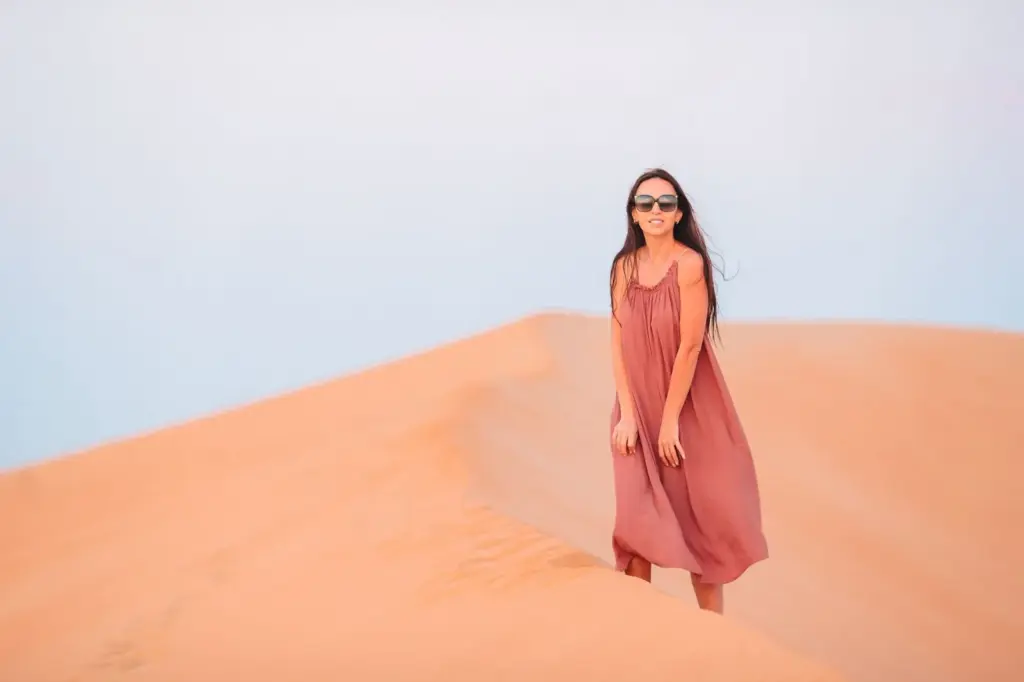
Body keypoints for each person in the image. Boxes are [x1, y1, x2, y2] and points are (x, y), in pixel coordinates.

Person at [608, 167, 768, 614]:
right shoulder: (623, 268)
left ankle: (713, 637)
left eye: (666, 202)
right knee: (634, 522)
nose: (656, 210)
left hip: (686, 408)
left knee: (703, 524)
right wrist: (627, 412)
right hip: (635, 408)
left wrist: (670, 421)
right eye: (646, 203)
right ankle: (638, 625)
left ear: (678, 214)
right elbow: (617, 340)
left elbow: (690, 345)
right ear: (634, 214)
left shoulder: (690, 265)